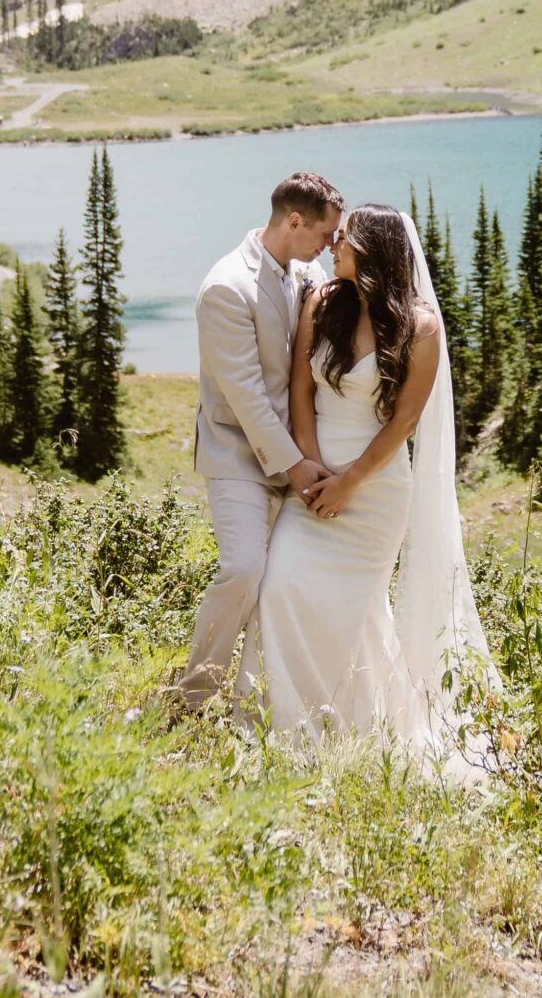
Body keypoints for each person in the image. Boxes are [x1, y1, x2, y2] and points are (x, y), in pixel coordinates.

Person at [252, 202, 492, 765]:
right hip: (311, 486)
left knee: (351, 613)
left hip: (376, 495)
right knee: (281, 589)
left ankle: (355, 732)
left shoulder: (419, 327)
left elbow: (405, 421)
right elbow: (299, 391)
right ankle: (295, 729)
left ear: (371, 250)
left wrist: (349, 484)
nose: (333, 244)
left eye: (345, 239)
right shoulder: (323, 302)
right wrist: (311, 471)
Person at [173, 171, 344, 711]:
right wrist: (296, 467)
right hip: (237, 455)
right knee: (243, 569)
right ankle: (193, 698)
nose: (329, 245)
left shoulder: (305, 269)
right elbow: (246, 397)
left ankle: (259, 706)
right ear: (294, 222)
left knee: (283, 584)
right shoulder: (226, 286)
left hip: (298, 456)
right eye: (324, 233)